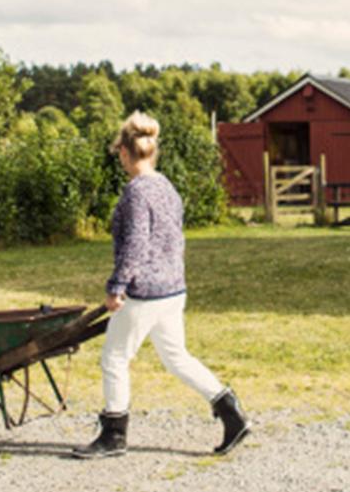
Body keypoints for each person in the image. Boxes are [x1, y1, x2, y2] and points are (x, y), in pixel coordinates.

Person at [72, 110, 250, 459]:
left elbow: (137, 244)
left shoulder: (136, 192)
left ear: (124, 152)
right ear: (152, 151)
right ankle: (231, 412)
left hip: (145, 293)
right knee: (176, 357)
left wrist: (117, 286)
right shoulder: (166, 187)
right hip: (172, 289)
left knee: (114, 358)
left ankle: (113, 436)